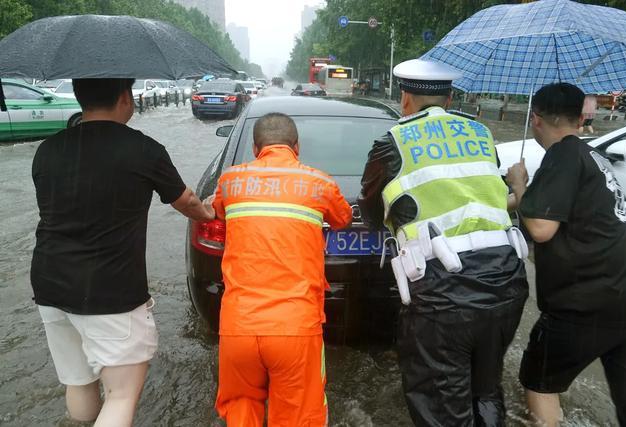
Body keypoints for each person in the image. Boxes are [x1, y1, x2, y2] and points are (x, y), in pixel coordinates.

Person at [31, 78, 215, 426]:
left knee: (78, 380)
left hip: (50, 285)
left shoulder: (48, 149)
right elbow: (186, 201)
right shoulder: (142, 149)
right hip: (109, 291)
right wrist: (209, 212)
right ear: (125, 97)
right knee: (121, 395)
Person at [358, 59, 529, 426]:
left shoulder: (393, 142)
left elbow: (372, 211)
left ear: (404, 98)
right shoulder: (480, 133)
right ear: (449, 99)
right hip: (508, 282)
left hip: (444, 295)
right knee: (485, 389)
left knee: (440, 404)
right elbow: (488, 196)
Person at [506, 83, 626, 427]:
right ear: (581, 118)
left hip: (588, 298)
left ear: (535, 119)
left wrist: (518, 184)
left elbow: (540, 228)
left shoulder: (562, 154)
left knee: (539, 379)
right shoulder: (587, 155)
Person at [211, 113, 352, 426]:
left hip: (238, 327)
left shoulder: (231, 180)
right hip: (295, 327)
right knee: (298, 415)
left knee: (240, 407)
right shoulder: (320, 182)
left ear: (254, 146)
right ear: (296, 146)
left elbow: (217, 211)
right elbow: (343, 219)